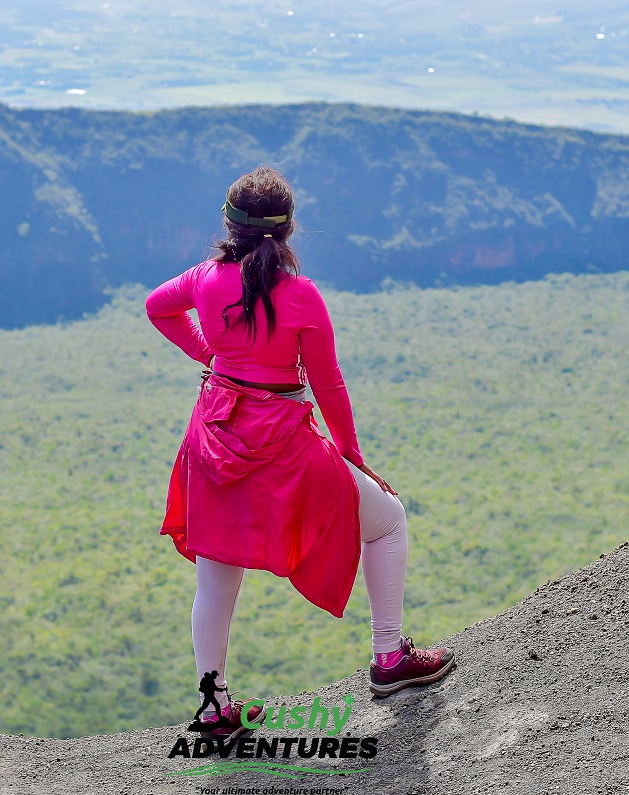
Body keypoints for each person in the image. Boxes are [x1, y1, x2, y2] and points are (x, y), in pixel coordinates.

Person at [146, 166, 455, 741]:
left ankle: (214, 710)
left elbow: (156, 307)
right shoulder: (301, 295)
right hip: (283, 438)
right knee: (387, 520)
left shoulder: (203, 280)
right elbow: (328, 385)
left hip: (215, 433)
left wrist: (210, 356)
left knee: (216, 573)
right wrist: (353, 457)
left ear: (229, 226)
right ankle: (389, 659)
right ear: (287, 230)